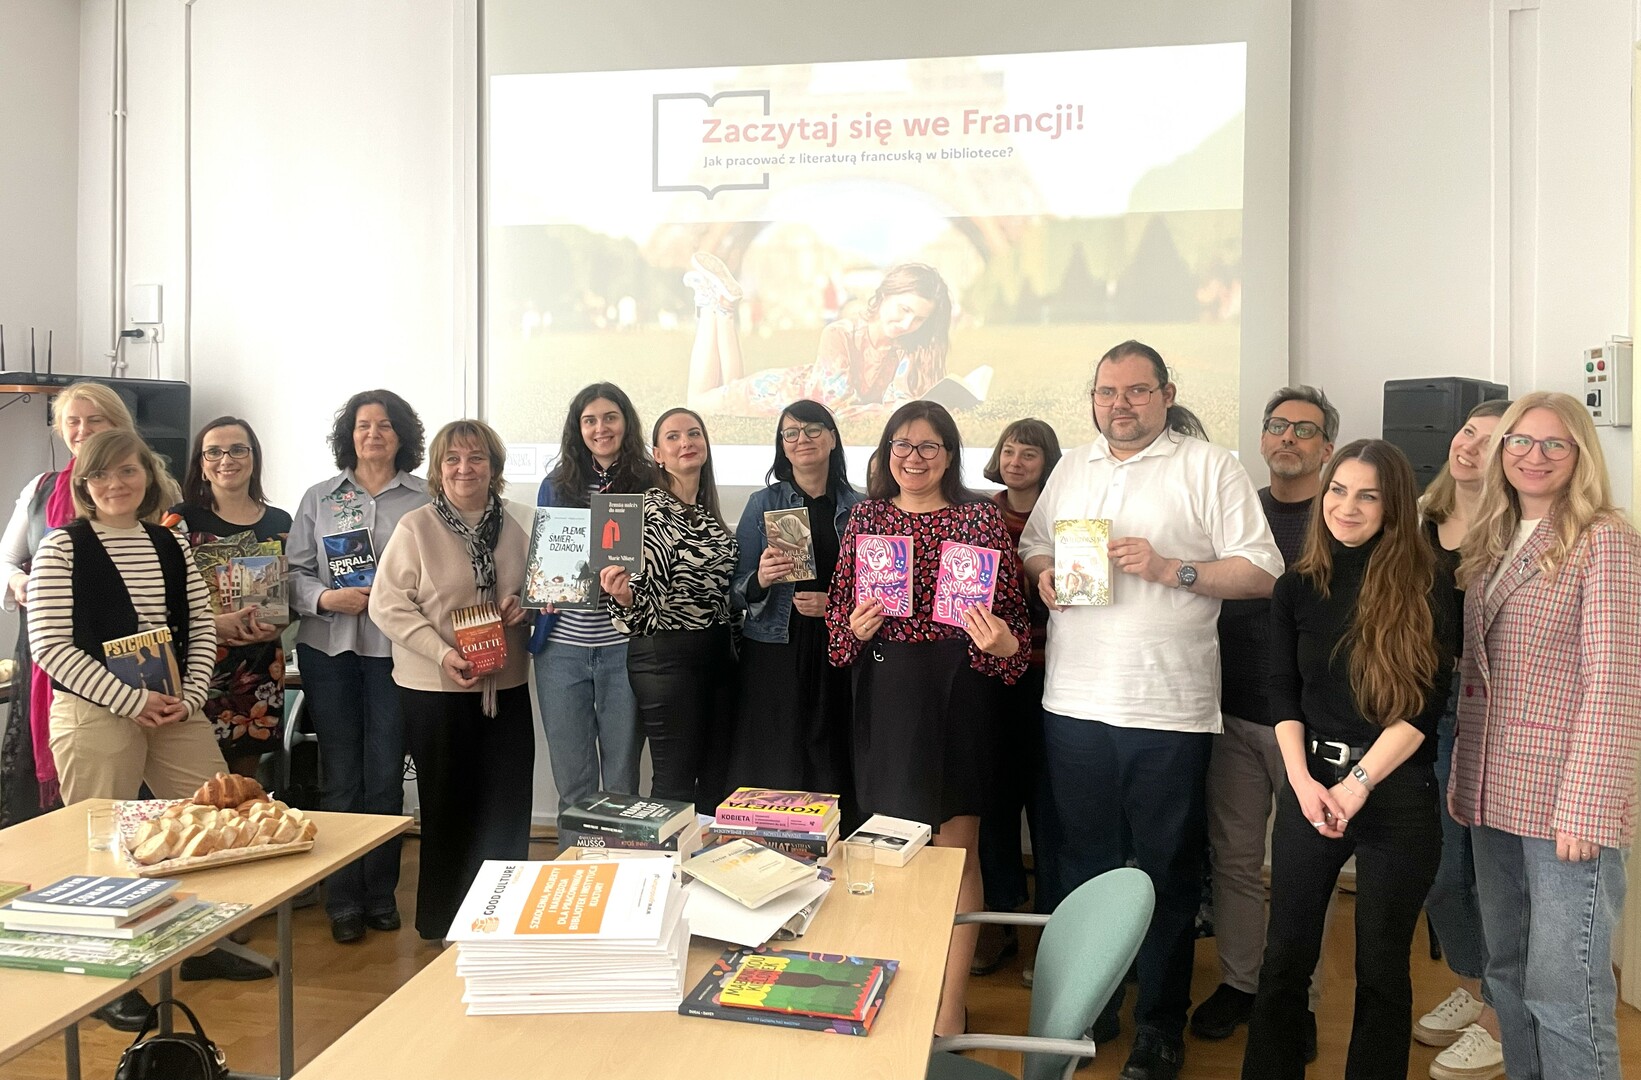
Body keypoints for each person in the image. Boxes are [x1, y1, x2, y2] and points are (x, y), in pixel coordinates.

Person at [1017, 341, 1282, 1080]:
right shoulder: (1073, 466)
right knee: (1083, 866)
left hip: (1168, 708)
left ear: (1167, 394)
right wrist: (1043, 575)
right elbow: (1034, 545)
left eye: (1137, 391)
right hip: (1073, 702)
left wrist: (1172, 569)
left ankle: (1159, 1026)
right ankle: (1089, 1009)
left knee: (1166, 872)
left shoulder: (1210, 466)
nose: (1120, 404)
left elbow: (1263, 573)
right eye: (1107, 392)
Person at [28, 427, 269, 1014]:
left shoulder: (169, 543)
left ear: (148, 476)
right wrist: (128, 700)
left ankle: (203, 945)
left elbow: (200, 627)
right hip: (95, 712)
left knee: (211, 823)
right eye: (101, 474)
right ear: (85, 484)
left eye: (128, 471)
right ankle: (104, 979)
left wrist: (191, 696)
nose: (116, 484)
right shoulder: (62, 548)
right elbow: (49, 646)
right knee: (102, 844)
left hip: (175, 709)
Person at [1240, 439, 1457, 1080]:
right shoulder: (1297, 585)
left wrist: (1358, 784)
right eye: (1337, 490)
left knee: (1382, 966)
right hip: (1311, 783)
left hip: (1396, 792)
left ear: (1394, 506)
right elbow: (1282, 692)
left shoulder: (1429, 585)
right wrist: (1303, 782)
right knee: (1285, 956)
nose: (1346, 506)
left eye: (1368, 496)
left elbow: (1421, 709)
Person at [1450, 391, 1641, 1080]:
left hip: (1565, 803)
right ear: (1501, 450)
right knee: (1506, 973)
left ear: (1579, 454)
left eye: (1554, 443)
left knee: (1565, 994)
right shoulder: (1494, 538)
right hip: (1490, 790)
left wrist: (1587, 807)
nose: (1535, 456)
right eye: (1520, 441)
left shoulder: (1604, 539)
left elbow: (1614, 680)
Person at [826, 399, 1030, 1038]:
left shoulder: (980, 519)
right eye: (902, 446)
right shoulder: (866, 519)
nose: (913, 458)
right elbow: (837, 629)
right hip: (885, 692)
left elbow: (1014, 627)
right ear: (886, 453)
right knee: (890, 852)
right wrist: (854, 629)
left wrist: (1003, 643)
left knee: (955, 855)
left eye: (928, 446)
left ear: (949, 455)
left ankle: (947, 1006)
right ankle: (897, 988)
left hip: (959, 692)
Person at [1193, 386, 1337, 1056]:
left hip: (1312, 727)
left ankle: (1295, 998)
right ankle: (1241, 982)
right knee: (1235, 862)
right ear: (1260, 438)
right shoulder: (1236, 513)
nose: (1288, 438)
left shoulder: (1340, 518)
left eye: (1304, 430)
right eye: (1277, 426)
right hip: (1233, 714)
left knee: (1307, 869)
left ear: (1326, 447)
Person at [371, 420, 533, 941]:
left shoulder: (520, 524)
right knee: (448, 807)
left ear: (494, 467)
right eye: (453, 460)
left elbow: (541, 592)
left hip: (504, 686)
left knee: (507, 807)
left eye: (477, 458)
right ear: (438, 471)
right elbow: (387, 605)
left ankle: (501, 919)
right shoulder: (415, 527)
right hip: (436, 689)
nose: (465, 469)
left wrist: (523, 608)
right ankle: (445, 920)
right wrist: (441, 653)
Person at [287, 389, 429, 944]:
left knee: (386, 776)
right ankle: (342, 899)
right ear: (349, 435)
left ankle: (380, 893)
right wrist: (326, 598)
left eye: (385, 425)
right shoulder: (319, 497)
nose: (374, 434)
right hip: (330, 649)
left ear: (402, 436)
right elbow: (293, 572)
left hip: (398, 653)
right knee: (341, 778)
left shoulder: (425, 498)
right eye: (364, 425)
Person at [1412, 398, 1512, 1079]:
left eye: (1491, 440)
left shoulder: (1517, 530)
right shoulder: (1419, 518)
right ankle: (1479, 986)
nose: (1469, 446)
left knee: (1481, 872)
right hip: (1419, 713)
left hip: (1488, 716)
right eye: (1467, 431)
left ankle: (1499, 1015)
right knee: (1436, 870)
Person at [1, 381, 138, 825]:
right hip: (49, 647)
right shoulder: (40, 489)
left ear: (118, 425)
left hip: (121, 647)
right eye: (72, 421)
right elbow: (6, 559)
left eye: (95, 420)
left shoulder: (140, 485)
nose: (82, 430)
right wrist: (20, 581)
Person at [728, 400, 862, 817]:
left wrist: (834, 606)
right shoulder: (762, 504)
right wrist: (762, 579)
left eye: (812, 429)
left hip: (838, 649)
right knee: (775, 759)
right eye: (791, 433)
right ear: (782, 445)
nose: (802, 439)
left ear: (832, 438)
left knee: (831, 756)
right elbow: (734, 591)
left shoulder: (861, 508)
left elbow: (877, 591)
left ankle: (832, 842)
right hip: (775, 650)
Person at [528, 384, 655, 815]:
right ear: (578, 428)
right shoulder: (555, 484)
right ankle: (576, 858)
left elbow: (662, 559)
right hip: (562, 649)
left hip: (624, 647)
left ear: (626, 422)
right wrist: (545, 590)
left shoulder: (651, 481)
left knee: (622, 781)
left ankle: (622, 858)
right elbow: (546, 555)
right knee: (573, 783)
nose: (601, 428)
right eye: (590, 420)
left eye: (610, 417)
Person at [602, 407, 737, 807]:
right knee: (674, 783)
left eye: (694, 434)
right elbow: (639, 606)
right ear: (658, 455)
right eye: (673, 437)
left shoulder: (707, 512)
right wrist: (624, 598)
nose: (686, 443)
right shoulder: (650, 511)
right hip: (667, 660)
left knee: (716, 781)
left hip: (717, 656)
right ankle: (666, 852)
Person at [971, 417, 1062, 979]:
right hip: (990, 680)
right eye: (1009, 450)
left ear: (1049, 462)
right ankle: (997, 923)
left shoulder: (1066, 517)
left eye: (1029, 453)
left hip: (1052, 677)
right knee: (992, 804)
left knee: (1049, 810)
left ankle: (1048, 934)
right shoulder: (977, 514)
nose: (1016, 461)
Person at [162, 417, 293, 777]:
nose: (226, 459)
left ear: (253, 457)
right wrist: (212, 625)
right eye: (214, 452)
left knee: (244, 785)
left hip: (260, 669)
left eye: (237, 449)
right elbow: (157, 596)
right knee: (197, 787)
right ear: (202, 465)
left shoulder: (280, 522)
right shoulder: (179, 520)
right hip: (198, 668)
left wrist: (281, 623)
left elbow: (295, 592)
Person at [685, 259, 953, 418]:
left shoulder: (907, 348)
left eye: (919, 319)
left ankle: (724, 305)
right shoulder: (840, 334)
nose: (907, 324)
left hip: (795, 390)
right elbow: (836, 408)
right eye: (904, 309)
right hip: (775, 394)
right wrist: (893, 411)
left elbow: (902, 399)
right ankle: (709, 304)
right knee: (698, 402)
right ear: (885, 294)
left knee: (729, 385)